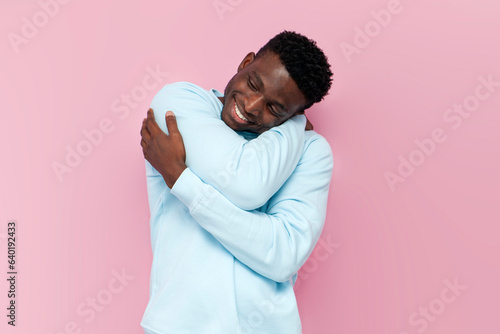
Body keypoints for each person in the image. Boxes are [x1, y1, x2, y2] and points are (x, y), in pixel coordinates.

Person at [140, 31, 334, 334]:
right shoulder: (181, 102)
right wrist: (294, 122)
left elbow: (283, 255)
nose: (253, 105)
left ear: (296, 114)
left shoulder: (311, 150)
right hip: (179, 325)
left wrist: (180, 179)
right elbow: (246, 183)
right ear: (245, 62)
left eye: (275, 109)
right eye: (254, 83)